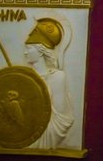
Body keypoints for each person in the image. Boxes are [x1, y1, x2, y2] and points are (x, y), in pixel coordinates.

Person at [24, 17, 74, 150]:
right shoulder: (25, 76)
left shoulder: (57, 77)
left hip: (45, 133)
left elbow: (59, 118)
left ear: (40, 51)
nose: (25, 52)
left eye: (29, 48)